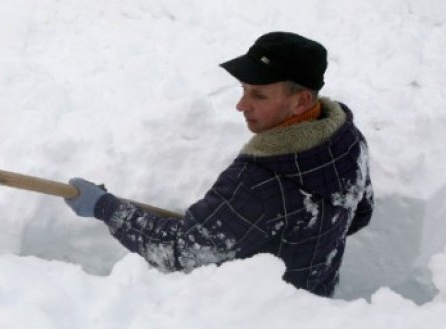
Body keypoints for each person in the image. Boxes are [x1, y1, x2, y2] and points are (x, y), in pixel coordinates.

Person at [64, 32, 373, 297]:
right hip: (316, 298)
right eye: (243, 90)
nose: (241, 105)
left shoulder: (260, 179)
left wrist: (104, 207)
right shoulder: (345, 139)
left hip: (262, 325)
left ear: (302, 101)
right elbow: (359, 214)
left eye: (259, 95)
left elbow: (181, 252)